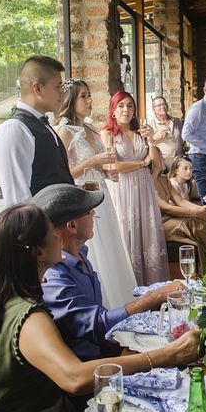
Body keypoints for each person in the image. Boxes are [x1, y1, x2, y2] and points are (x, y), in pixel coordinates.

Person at [0, 204, 200, 412]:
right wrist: (169, 355)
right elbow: (74, 378)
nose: (58, 236)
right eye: (51, 233)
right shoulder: (30, 319)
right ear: (37, 252)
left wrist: (9, 262)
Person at [33, 184, 186, 361]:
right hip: (90, 365)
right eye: (89, 211)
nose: (93, 215)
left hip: (105, 349)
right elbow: (96, 325)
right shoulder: (54, 276)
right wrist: (152, 298)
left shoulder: (80, 253)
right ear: (72, 225)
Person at [54, 79, 137, 307]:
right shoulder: (65, 132)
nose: (89, 100)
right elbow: (64, 174)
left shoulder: (90, 128)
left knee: (112, 248)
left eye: (89, 95)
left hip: (102, 196)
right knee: (97, 249)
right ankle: (104, 307)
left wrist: (106, 171)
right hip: (82, 199)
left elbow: (100, 164)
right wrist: (93, 161)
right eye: (83, 96)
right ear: (70, 100)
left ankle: (123, 304)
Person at [101, 91, 169, 285]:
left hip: (144, 189)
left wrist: (151, 141)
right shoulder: (107, 134)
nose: (126, 109)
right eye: (121, 105)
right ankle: (128, 288)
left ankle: (152, 288)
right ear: (113, 110)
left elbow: (157, 165)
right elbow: (111, 166)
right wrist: (141, 163)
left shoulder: (140, 132)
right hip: (121, 190)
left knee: (147, 237)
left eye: (130, 106)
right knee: (126, 235)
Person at [0, 55, 74, 206]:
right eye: (58, 86)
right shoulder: (14, 130)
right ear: (37, 88)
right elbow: (18, 202)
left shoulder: (42, 123)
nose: (62, 93)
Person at [152, 154, 206, 275]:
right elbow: (167, 208)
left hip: (171, 219)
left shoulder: (164, 179)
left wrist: (203, 209)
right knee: (194, 222)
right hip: (160, 223)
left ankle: (204, 274)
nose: (163, 159)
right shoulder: (149, 182)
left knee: (199, 237)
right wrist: (196, 213)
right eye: (159, 156)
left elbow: (180, 201)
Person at [148, 96, 183, 168]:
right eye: (159, 105)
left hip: (179, 160)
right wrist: (154, 137)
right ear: (153, 109)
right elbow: (145, 144)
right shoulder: (150, 123)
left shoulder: (176, 121)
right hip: (163, 163)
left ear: (167, 105)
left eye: (164, 104)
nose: (162, 107)